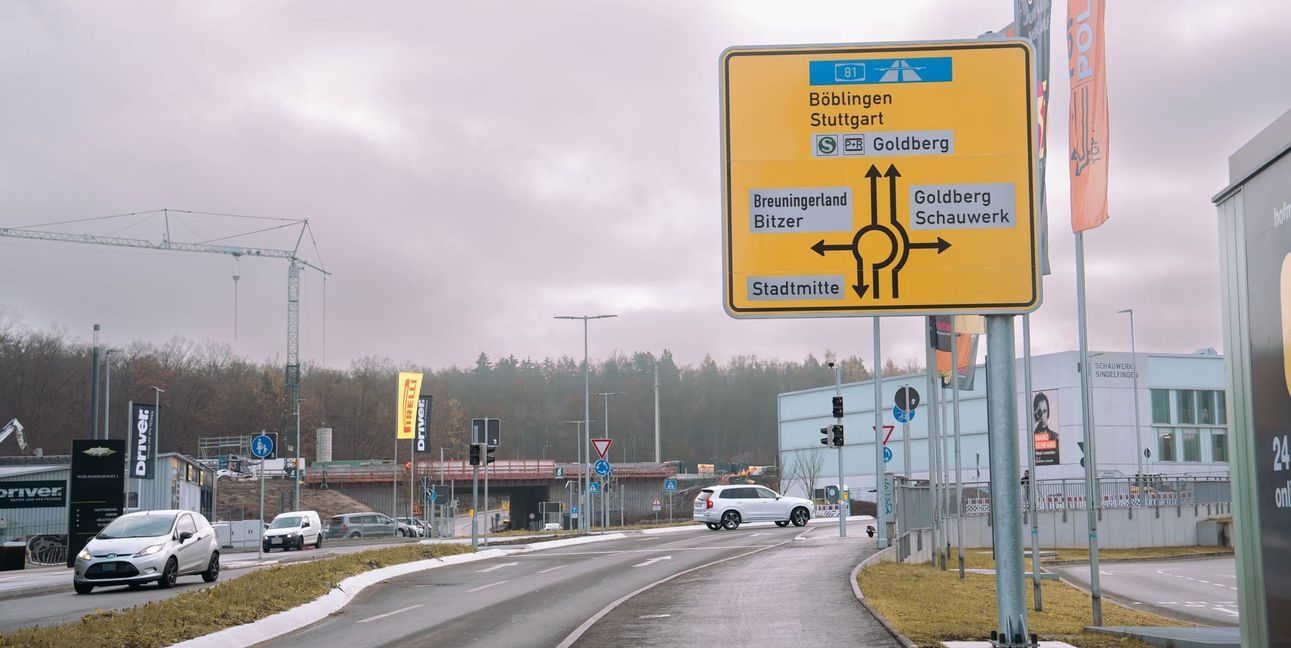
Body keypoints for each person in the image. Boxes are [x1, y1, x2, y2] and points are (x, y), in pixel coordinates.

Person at [1033, 392, 1059, 465]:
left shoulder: (1056, 438)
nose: (1042, 417)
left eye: (1044, 411)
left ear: (1048, 412)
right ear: (1035, 413)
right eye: (1039, 412)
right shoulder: (1030, 440)